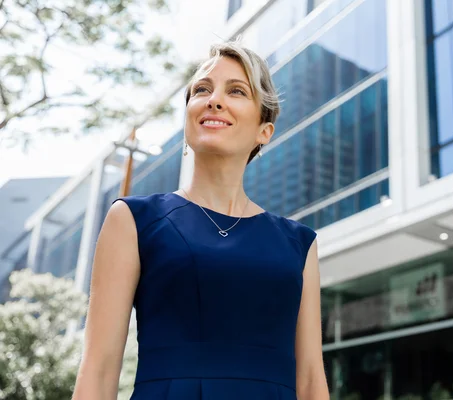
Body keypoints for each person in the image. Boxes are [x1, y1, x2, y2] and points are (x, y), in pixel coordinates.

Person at [72, 41, 330, 399]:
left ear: (263, 131)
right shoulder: (133, 220)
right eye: (202, 90)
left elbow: (311, 380)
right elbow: (98, 372)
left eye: (236, 91)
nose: (214, 99)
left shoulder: (300, 244)